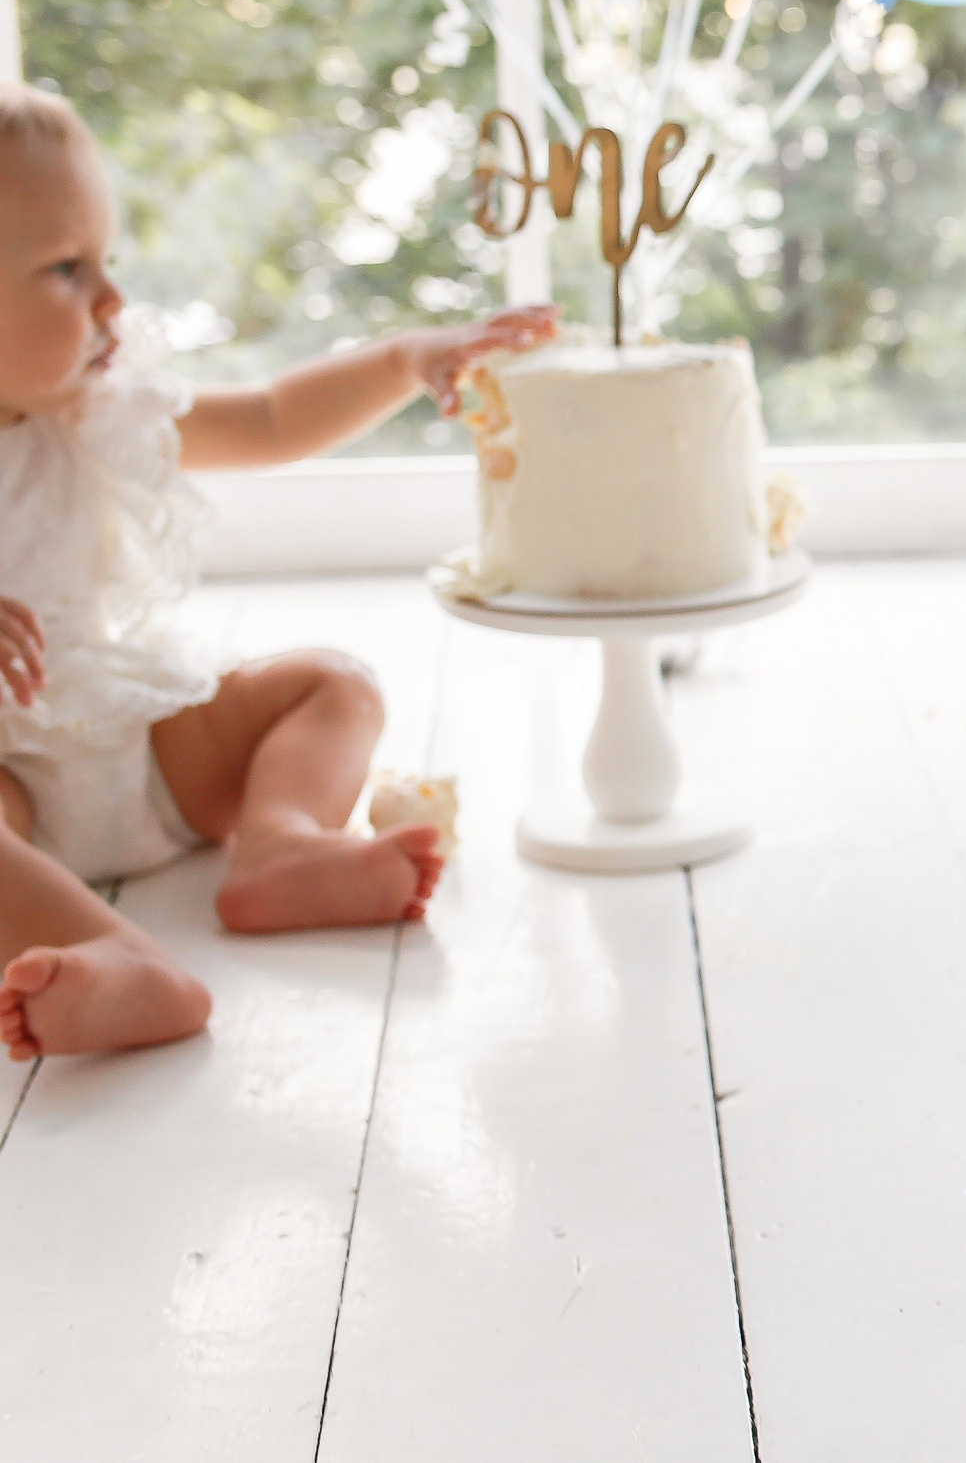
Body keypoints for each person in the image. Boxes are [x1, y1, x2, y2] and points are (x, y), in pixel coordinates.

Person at [0, 80, 553, 1062]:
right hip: (12, 799)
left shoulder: (99, 410)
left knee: (332, 684)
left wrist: (400, 359)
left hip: (127, 738)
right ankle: (112, 956)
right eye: (67, 270)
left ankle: (279, 844)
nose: (113, 299)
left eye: (109, 261)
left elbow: (268, 419)